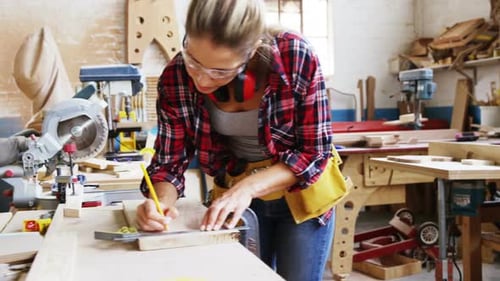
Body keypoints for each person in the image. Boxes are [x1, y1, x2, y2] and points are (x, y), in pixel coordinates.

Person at [136, 0, 349, 280]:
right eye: (193, 61)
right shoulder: (176, 77)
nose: (200, 80)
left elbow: (313, 152)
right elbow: (169, 163)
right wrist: (160, 202)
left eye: (220, 72)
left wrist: (249, 187)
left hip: (303, 196)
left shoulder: (294, 56)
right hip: (237, 197)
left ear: (251, 52)